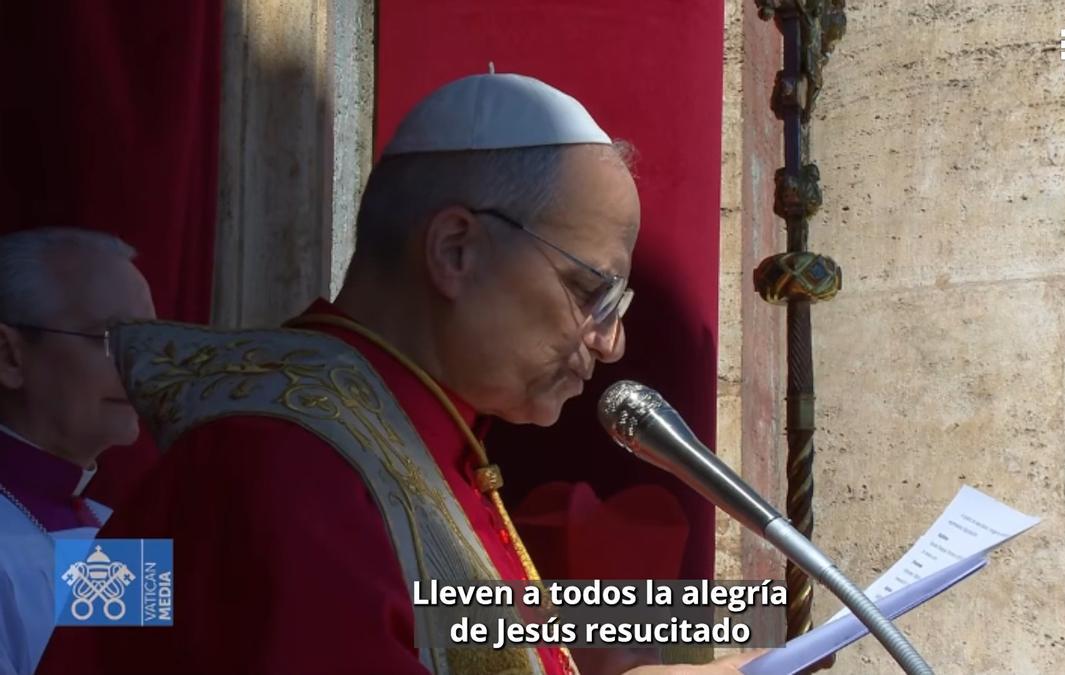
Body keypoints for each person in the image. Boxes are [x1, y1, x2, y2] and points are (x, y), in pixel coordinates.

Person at [37, 74, 754, 675]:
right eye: (588, 290)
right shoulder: (285, 465)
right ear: (454, 250)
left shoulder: (409, 445)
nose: (612, 343)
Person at [0, 228, 156, 675]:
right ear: (9, 356)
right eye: (109, 338)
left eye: (146, 341)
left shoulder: (120, 532)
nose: (139, 367)